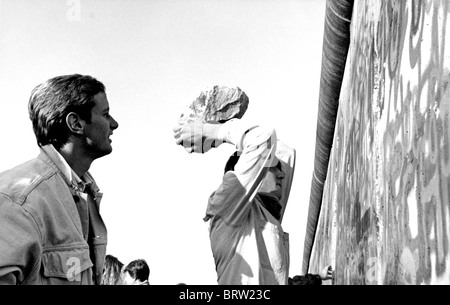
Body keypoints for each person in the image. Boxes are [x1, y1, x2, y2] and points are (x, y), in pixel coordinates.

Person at [0, 74, 119, 285]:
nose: (114, 124)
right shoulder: (19, 201)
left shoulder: (81, 193)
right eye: (106, 114)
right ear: (76, 123)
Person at [173, 117, 296, 285]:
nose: (282, 175)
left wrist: (221, 124)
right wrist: (215, 132)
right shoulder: (228, 204)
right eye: (274, 168)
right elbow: (263, 138)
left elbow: (286, 153)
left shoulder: (267, 214)